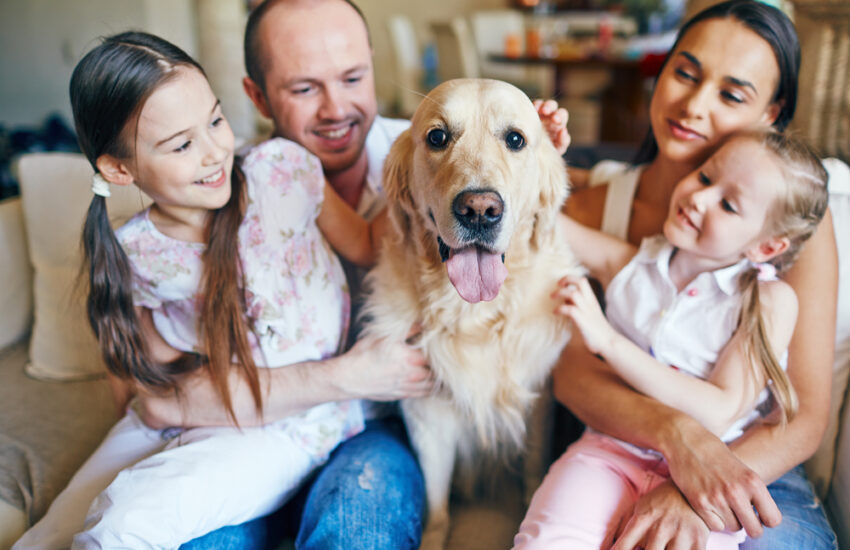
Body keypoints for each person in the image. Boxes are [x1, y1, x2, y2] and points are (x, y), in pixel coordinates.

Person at [132, 1, 570, 548]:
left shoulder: (415, 152)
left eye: (353, 78)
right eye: (303, 88)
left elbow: (567, 226)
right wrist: (347, 376)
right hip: (250, 435)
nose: (336, 107)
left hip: (372, 436)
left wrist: (529, 156)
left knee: (355, 530)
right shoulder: (220, 191)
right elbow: (150, 394)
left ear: (374, 70)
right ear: (258, 97)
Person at [13, 31, 430, 549]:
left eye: (215, 120)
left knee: (129, 519)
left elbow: (368, 244)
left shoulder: (282, 170)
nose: (214, 154)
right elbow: (155, 394)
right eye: (183, 144)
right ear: (120, 169)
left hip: (288, 427)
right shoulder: (133, 252)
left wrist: (428, 164)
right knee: (53, 531)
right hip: (187, 412)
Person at [558, 1, 840, 548]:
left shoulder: (799, 226)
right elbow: (573, 375)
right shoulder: (596, 209)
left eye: (732, 94)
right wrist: (680, 441)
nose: (693, 104)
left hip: (755, 461)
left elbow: (802, 417)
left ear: (771, 113)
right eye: (684, 73)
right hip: (620, 446)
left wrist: (695, 487)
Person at [514, 129, 829, 548]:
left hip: (709, 483)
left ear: (767, 245)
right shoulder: (635, 261)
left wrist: (607, 341)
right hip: (610, 452)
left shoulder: (769, 300)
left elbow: (717, 410)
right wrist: (531, 148)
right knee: (547, 540)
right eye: (704, 177)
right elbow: (547, 222)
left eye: (728, 204)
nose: (700, 198)